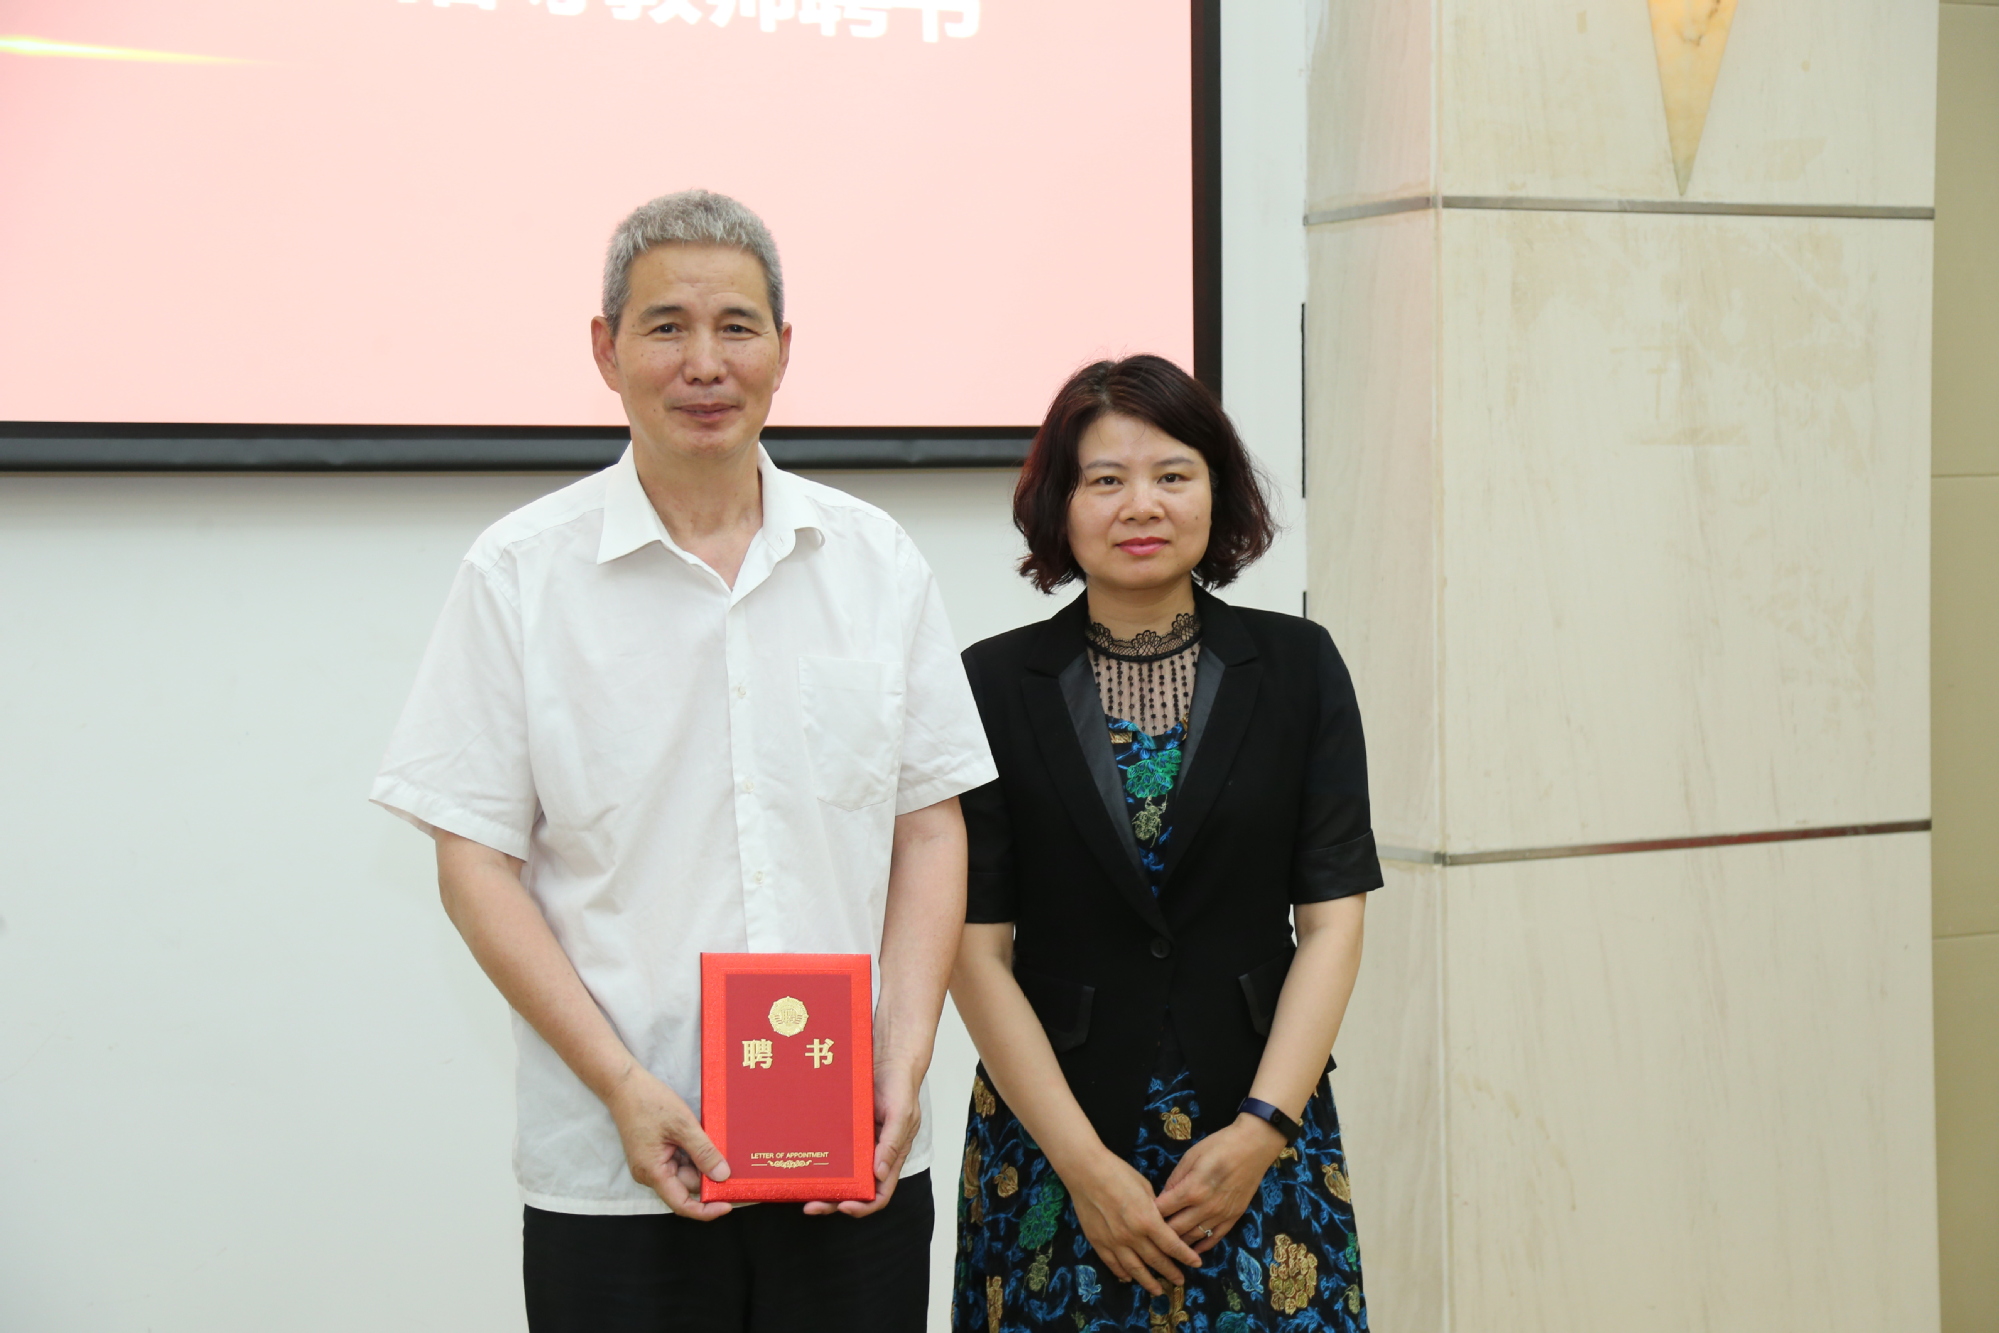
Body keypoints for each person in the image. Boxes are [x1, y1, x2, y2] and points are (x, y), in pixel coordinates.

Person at [370, 189, 995, 1332]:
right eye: (666, 327)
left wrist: (903, 1065)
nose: (705, 362)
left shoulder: (875, 561)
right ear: (604, 349)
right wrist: (621, 1084)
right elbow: (473, 861)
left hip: (852, 1156)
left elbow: (928, 827)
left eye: (736, 327)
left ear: (783, 350)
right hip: (617, 1166)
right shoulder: (520, 573)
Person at [948, 355, 1382, 1332]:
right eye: (1105, 479)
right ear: (1060, 506)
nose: (1139, 504)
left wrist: (1260, 1131)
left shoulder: (1299, 665)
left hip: (1257, 1132)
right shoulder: (990, 684)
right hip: (1055, 1145)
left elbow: (1330, 924)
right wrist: (1083, 1165)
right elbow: (974, 952)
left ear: (1215, 492)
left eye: (1171, 474)